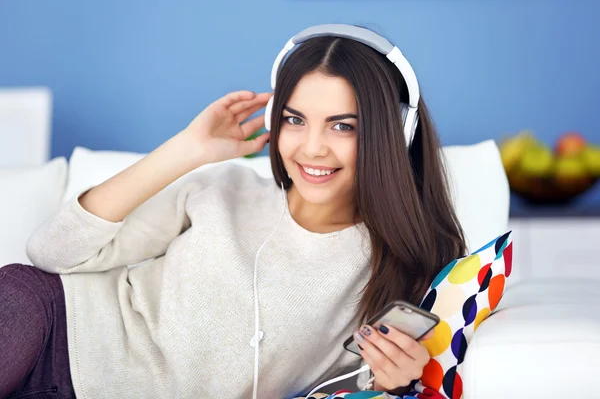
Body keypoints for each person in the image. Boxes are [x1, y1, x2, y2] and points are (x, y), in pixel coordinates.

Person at [0, 24, 466, 399]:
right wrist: (188, 149)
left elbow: (327, 390)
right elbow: (50, 252)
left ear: (393, 133)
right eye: (294, 119)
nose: (312, 148)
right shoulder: (222, 188)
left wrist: (388, 383)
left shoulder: (399, 267)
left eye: (343, 126)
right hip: (49, 324)